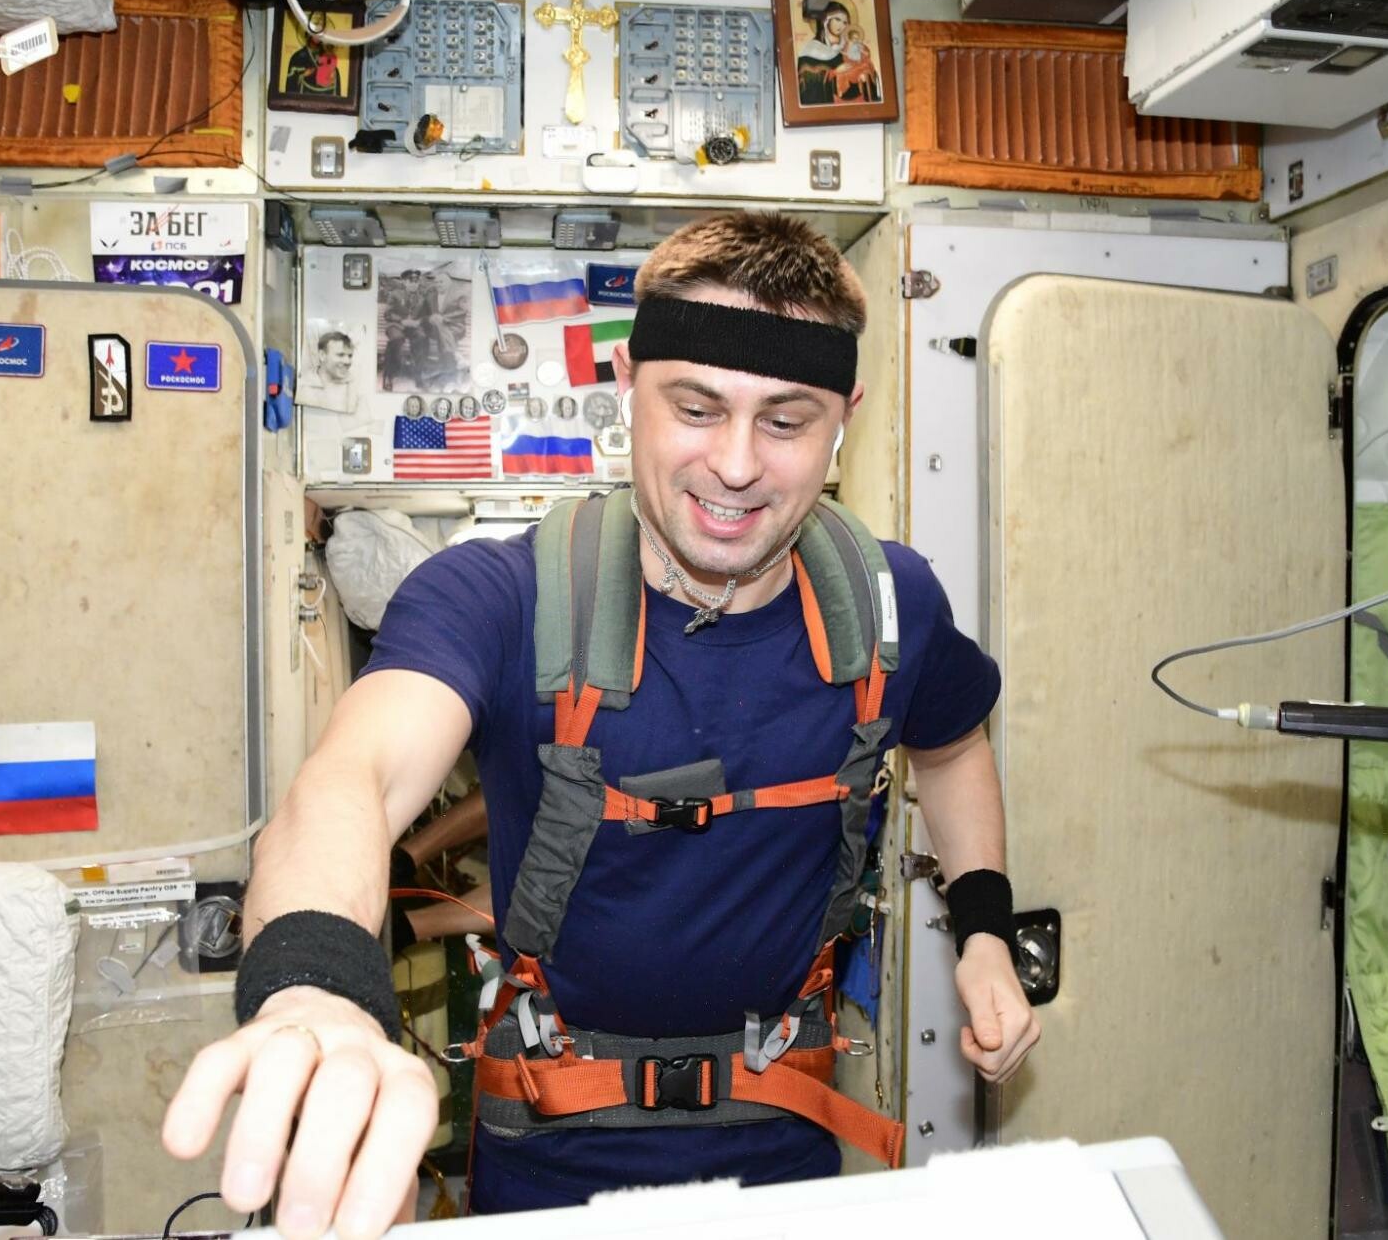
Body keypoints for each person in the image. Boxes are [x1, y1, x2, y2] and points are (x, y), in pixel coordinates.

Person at [162, 212, 1039, 1236]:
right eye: (696, 408)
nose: (735, 464)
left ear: (845, 413)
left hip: (787, 1148)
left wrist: (984, 931)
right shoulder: (501, 597)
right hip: (549, 1151)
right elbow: (351, 777)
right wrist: (315, 987)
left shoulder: (890, 604)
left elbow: (953, 746)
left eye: (786, 421)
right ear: (627, 381)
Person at [300, 330, 358, 413]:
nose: (347, 361)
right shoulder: (303, 386)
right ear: (322, 355)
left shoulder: (355, 386)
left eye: (350, 356)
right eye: (340, 355)